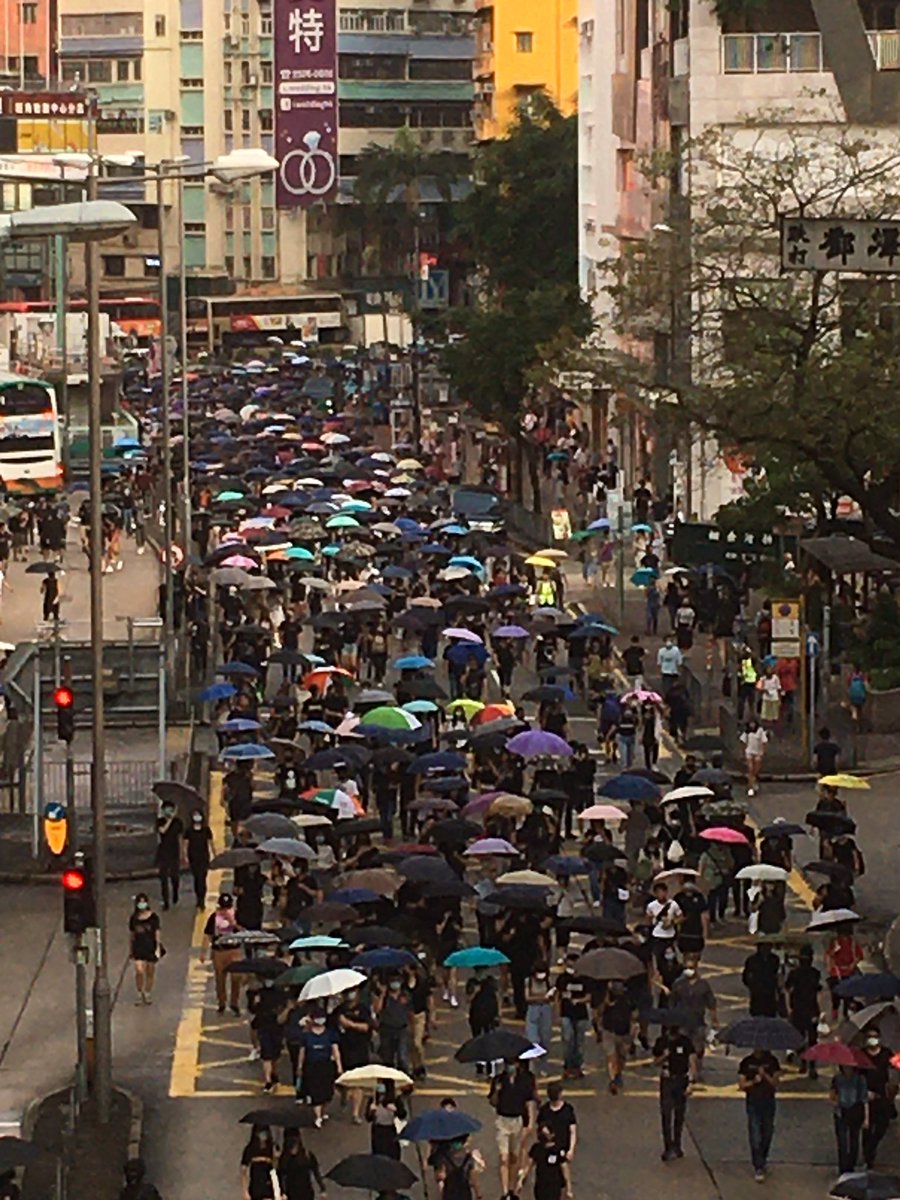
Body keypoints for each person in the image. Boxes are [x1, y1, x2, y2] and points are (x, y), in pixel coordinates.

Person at [489, 1061, 536, 1200]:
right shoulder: (498, 1080)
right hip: (502, 1120)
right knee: (504, 1158)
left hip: (517, 1120)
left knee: (514, 1157)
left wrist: (530, 1122)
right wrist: (497, 1091)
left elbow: (529, 1101)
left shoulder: (524, 1081)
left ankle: (511, 1188)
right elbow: (493, 1102)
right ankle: (505, 1192)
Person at [653, 1018, 697, 1161]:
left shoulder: (685, 1042)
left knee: (679, 1114)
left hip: (681, 1079)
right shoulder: (661, 1042)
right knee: (666, 1114)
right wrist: (664, 1056)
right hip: (667, 1080)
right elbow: (655, 1061)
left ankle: (677, 1145)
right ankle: (668, 1146)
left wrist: (691, 1082)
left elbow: (692, 1062)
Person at [669, 957, 717, 1080]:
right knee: (684, 1047)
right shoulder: (678, 984)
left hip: (698, 1022)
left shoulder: (703, 985)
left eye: (691, 968)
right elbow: (672, 1003)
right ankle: (687, 1071)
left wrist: (714, 1020)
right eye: (686, 968)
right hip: (682, 1022)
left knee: (698, 1048)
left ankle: (697, 1070)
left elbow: (711, 1003)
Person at [739, 1047, 780, 1182]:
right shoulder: (746, 1062)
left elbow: (775, 1083)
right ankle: (758, 1165)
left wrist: (765, 1075)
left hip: (768, 1101)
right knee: (755, 1134)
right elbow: (742, 1084)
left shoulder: (772, 1061)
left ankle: (763, 1157)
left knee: (767, 1132)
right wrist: (753, 1081)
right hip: (753, 1102)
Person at [295, 1009, 342, 1128]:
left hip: (326, 1066)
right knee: (315, 1092)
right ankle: (317, 1116)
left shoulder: (330, 1034)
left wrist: (339, 1066)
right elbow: (302, 1052)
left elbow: (335, 1051)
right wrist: (300, 1067)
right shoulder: (306, 1036)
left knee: (327, 1092)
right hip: (312, 1066)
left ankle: (323, 1111)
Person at [201, 892, 242, 1015]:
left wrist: (233, 923)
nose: (225, 910)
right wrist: (203, 952)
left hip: (234, 950)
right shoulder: (214, 917)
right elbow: (208, 935)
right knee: (220, 979)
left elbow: (243, 931)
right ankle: (222, 1002)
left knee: (236, 977)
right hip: (219, 951)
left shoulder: (237, 915)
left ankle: (234, 1003)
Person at [784, 946, 821, 1078]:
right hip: (807, 1009)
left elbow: (787, 990)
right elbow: (818, 993)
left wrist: (789, 1008)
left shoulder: (796, 973)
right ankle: (808, 1064)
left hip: (802, 1009)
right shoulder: (813, 973)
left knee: (804, 1039)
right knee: (809, 1039)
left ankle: (807, 1064)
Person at [862, 1028, 897, 1169]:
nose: (872, 1039)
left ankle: (872, 1146)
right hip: (866, 1096)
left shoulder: (886, 1053)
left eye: (875, 1036)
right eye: (869, 1036)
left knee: (883, 1124)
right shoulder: (862, 1055)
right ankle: (868, 1157)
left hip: (882, 1094)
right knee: (867, 1127)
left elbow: (895, 1065)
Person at [554, 953, 590, 1080]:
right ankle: (568, 1066)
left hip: (581, 1015)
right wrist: (557, 1013)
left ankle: (578, 1066)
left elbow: (589, 996)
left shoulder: (585, 979)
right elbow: (558, 996)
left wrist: (579, 1001)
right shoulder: (562, 979)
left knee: (579, 1042)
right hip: (566, 1013)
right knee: (568, 1039)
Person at [516, 1123, 571, 1200]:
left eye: (546, 1134)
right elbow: (528, 1166)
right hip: (540, 1185)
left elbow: (565, 1169)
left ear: (552, 1135)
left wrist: (568, 1188)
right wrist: (521, 1180)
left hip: (554, 1186)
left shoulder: (558, 1150)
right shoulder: (536, 1148)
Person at [830, 1065, 868, 1175]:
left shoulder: (860, 1079)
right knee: (842, 1140)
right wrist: (834, 1099)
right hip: (841, 1111)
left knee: (853, 1139)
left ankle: (851, 1164)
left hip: (855, 1111)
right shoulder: (837, 1078)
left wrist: (866, 1118)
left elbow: (864, 1099)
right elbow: (832, 1094)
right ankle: (843, 1166)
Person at [600, 981, 635, 1095]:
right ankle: (613, 1080)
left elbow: (634, 1015)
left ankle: (618, 1074)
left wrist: (633, 1032)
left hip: (624, 1032)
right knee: (611, 1057)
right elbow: (599, 1012)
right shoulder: (606, 998)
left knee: (621, 1057)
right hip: (609, 1031)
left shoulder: (628, 999)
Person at [128, 892, 161, 1005]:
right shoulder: (134, 918)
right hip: (138, 947)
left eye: (143, 902)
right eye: (140, 902)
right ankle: (139, 992)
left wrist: (157, 947)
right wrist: (130, 949)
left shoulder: (153, 918)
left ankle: (147, 993)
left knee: (150, 971)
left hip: (150, 947)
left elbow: (157, 932)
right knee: (139, 971)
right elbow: (132, 935)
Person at [278, 1131, 327, 1200]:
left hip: (301, 1192)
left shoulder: (285, 1158)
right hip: (297, 1192)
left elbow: (281, 1176)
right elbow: (281, 1176)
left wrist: (322, 1188)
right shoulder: (306, 1156)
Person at [536, 1081, 577, 1161]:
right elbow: (540, 1128)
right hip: (548, 1148)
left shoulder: (567, 1110)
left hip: (563, 1148)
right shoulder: (544, 1110)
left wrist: (571, 1149)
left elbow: (572, 1131)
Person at [645, 881, 682, 968]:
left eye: (662, 892)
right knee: (656, 958)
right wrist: (652, 923)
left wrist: (672, 922)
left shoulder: (673, 904)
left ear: (666, 892)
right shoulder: (651, 906)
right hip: (657, 936)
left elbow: (681, 917)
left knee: (672, 958)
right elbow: (648, 919)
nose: (660, 894)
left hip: (670, 936)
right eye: (658, 892)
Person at [155, 802, 183, 910]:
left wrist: (182, 853)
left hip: (174, 852)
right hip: (163, 852)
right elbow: (162, 830)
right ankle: (166, 901)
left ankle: (175, 892)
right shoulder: (160, 821)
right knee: (163, 878)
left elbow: (180, 837)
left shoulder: (178, 822)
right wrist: (169, 820)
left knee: (175, 876)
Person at [183, 808, 213, 909]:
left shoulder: (206, 830)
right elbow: (185, 844)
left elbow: (210, 843)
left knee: (202, 878)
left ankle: (202, 899)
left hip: (204, 856)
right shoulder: (189, 831)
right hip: (193, 857)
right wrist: (185, 857)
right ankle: (198, 897)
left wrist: (213, 855)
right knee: (197, 878)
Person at [741, 943, 781, 1018]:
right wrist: (752, 986)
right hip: (758, 994)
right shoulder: (752, 960)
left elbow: (777, 974)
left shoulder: (774, 959)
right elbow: (746, 976)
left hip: (769, 994)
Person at [240, 1125, 277, 1200]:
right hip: (255, 1185)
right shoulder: (250, 1149)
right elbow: (243, 1171)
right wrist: (245, 1190)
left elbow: (275, 1169)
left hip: (268, 1185)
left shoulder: (271, 1147)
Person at [741, 720, 768, 797]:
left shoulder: (760, 731)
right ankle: (751, 787)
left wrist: (763, 752)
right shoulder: (746, 732)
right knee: (750, 769)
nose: (752, 725)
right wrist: (743, 752)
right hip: (749, 751)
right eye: (750, 723)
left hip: (758, 752)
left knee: (755, 770)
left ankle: (752, 783)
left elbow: (764, 742)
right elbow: (743, 742)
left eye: (753, 723)